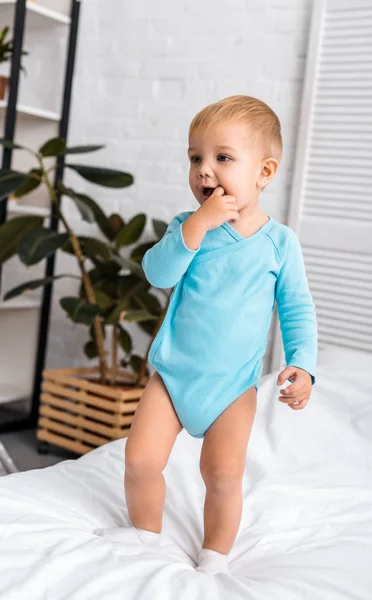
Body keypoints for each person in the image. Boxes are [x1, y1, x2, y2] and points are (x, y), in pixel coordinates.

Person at [94, 95, 318, 575]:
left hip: (231, 386)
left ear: (264, 171)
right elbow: (157, 273)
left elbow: (296, 308)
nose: (204, 170)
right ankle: (144, 533)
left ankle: (214, 554)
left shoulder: (280, 243)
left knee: (221, 474)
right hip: (172, 377)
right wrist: (196, 226)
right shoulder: (187, 228)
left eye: (223, 158)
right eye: (195, 158)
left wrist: (303, 363)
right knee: (139, 460)